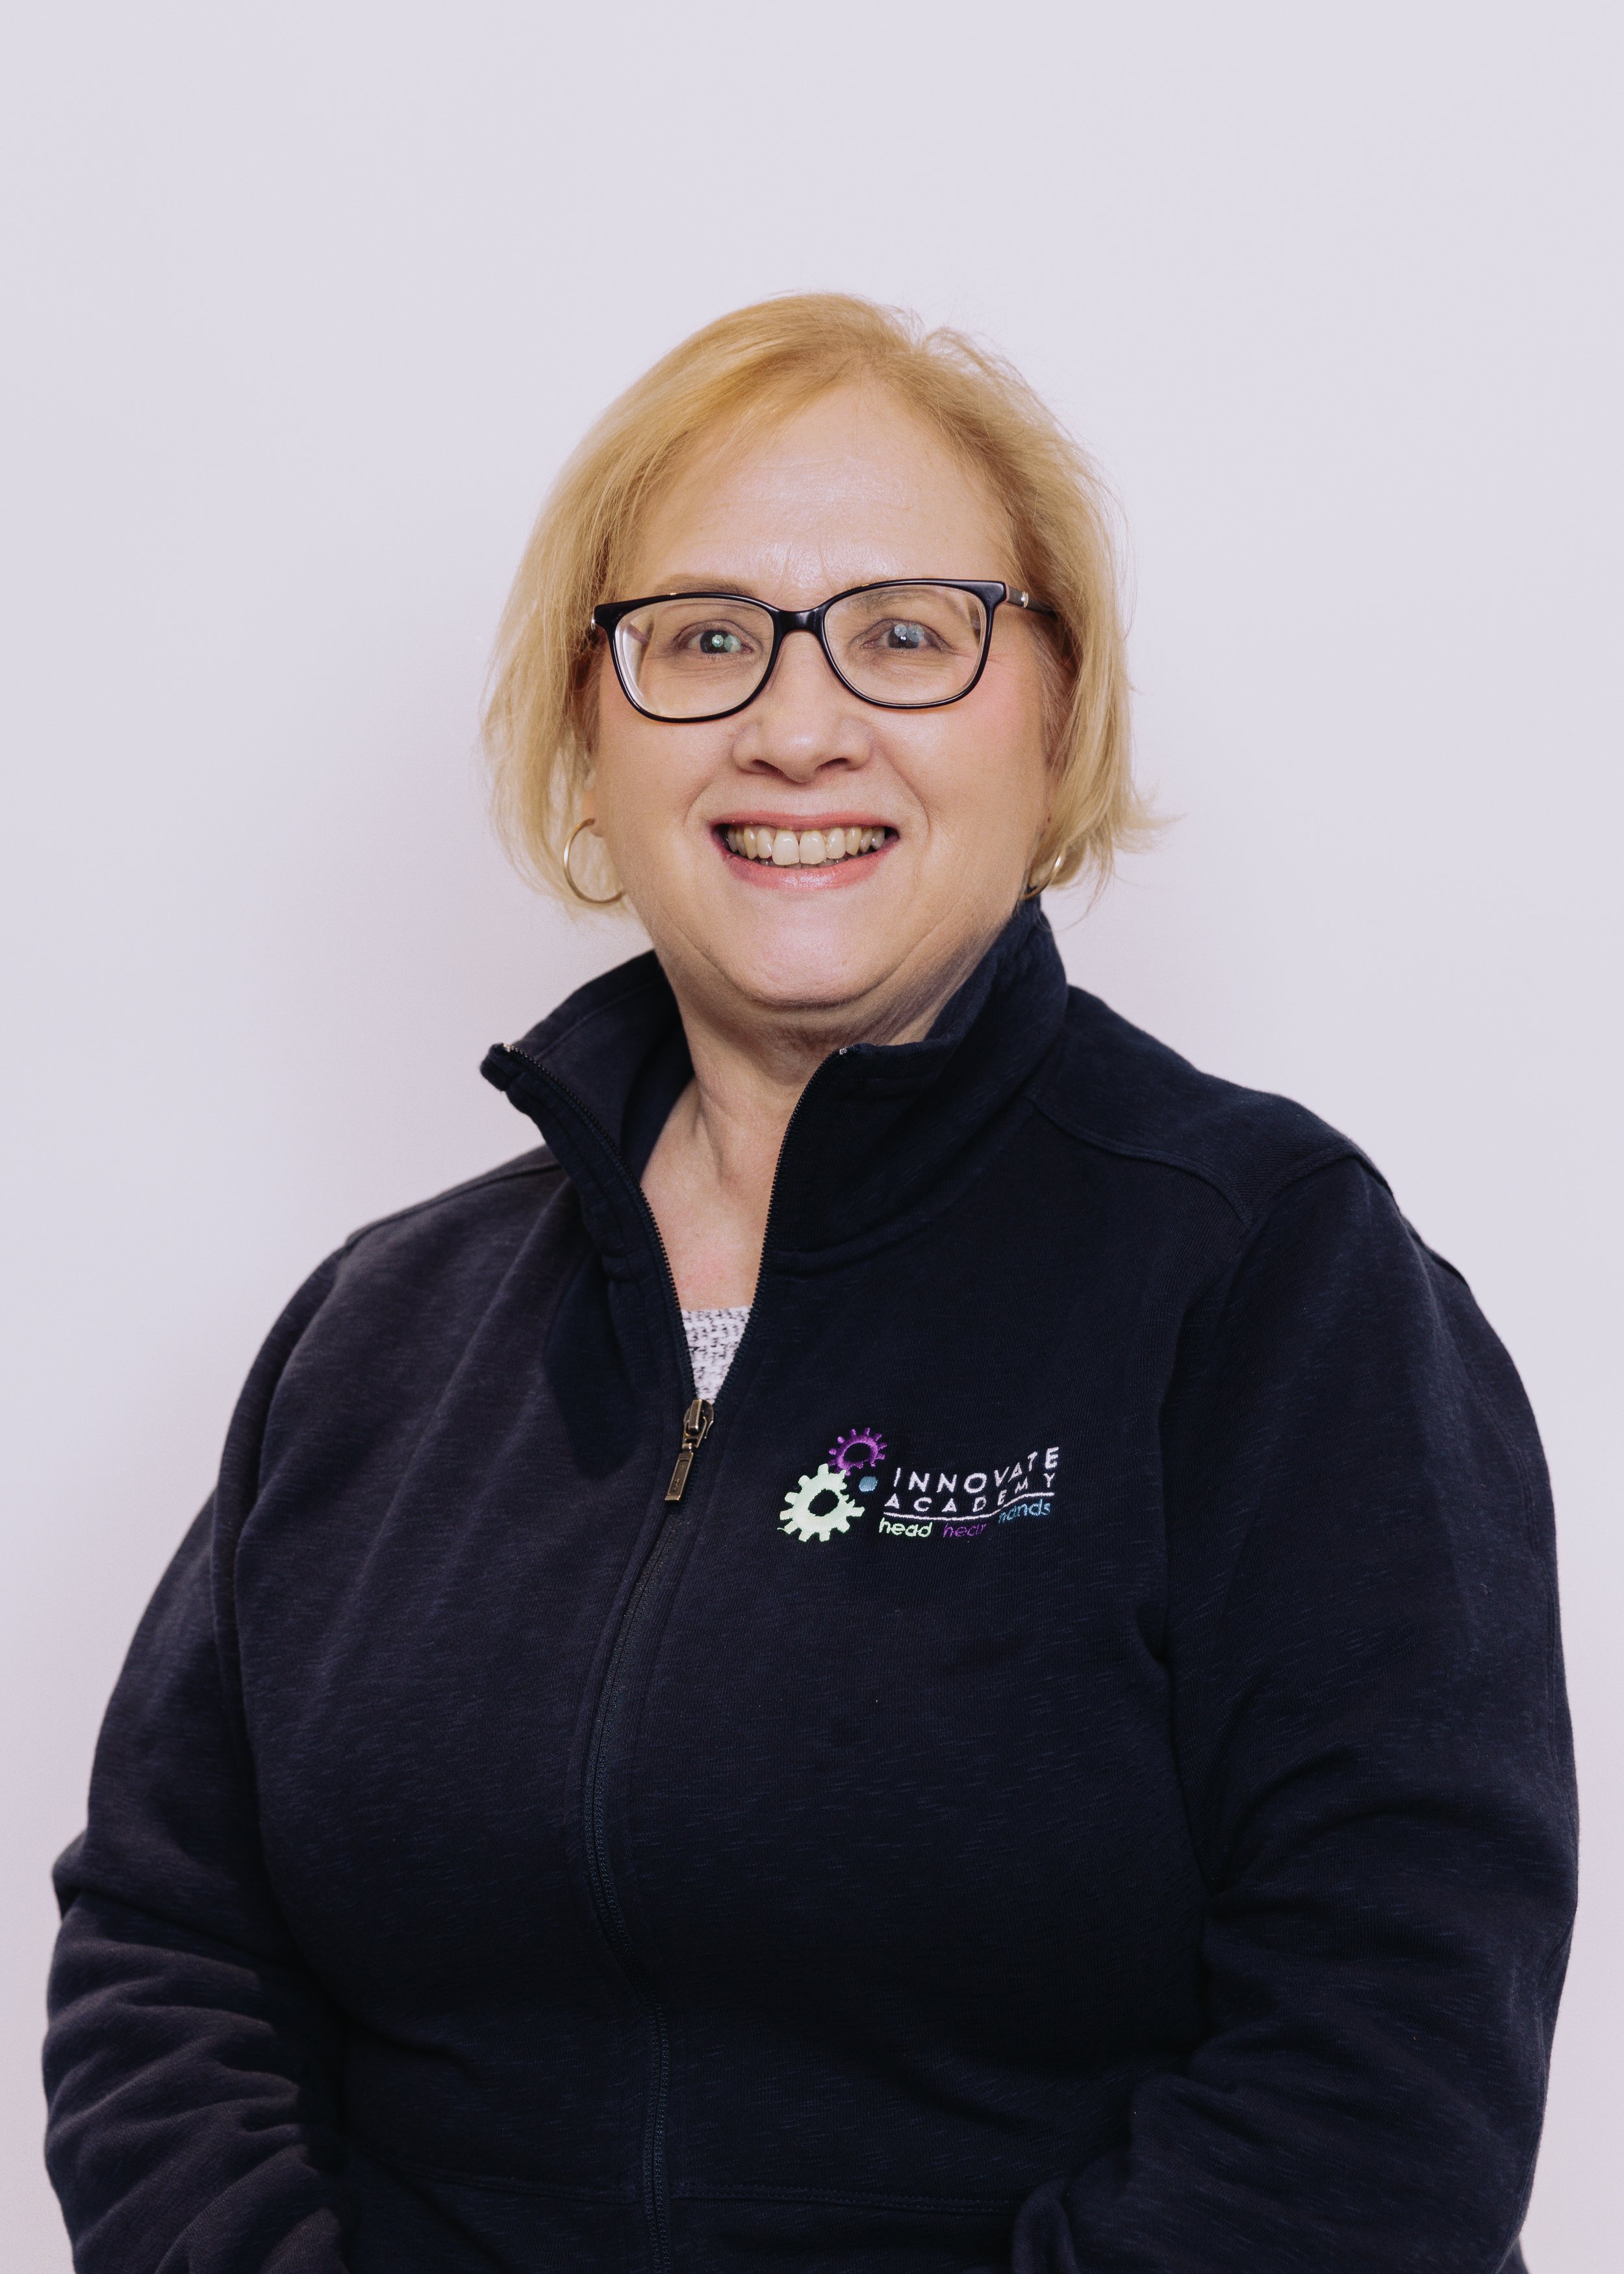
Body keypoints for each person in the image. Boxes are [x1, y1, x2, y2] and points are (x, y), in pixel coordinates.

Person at [44, 295, 1576, 2274]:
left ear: (1055, 712)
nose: (796, 720)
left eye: (905, 633)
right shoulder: (379, 1336)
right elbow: (169, 1950)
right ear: (588, 737)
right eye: (701, 637)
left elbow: (1388, 2064)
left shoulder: (1273, 1280)